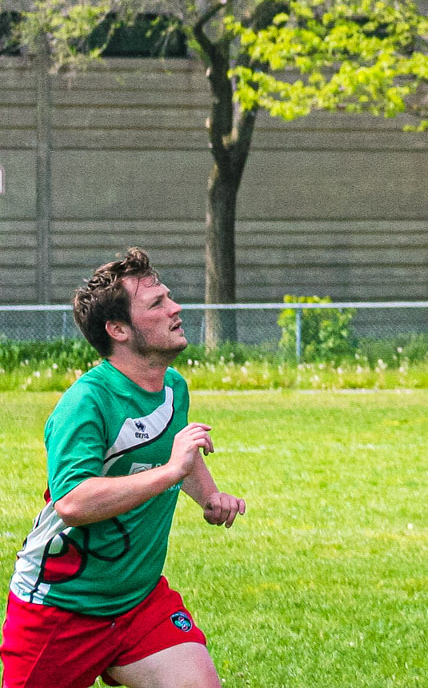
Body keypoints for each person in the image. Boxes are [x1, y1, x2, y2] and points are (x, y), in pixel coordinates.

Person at [4, 249, 247, 688]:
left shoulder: (172, 387)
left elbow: (171, 453)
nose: (175, 308)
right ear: (117, 329)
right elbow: (74, 502)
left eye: (168, 297)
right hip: (62, 606)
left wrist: (208, 496)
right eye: (157, 304)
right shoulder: (85, 403)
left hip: (138, 601)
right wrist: (171, 472)